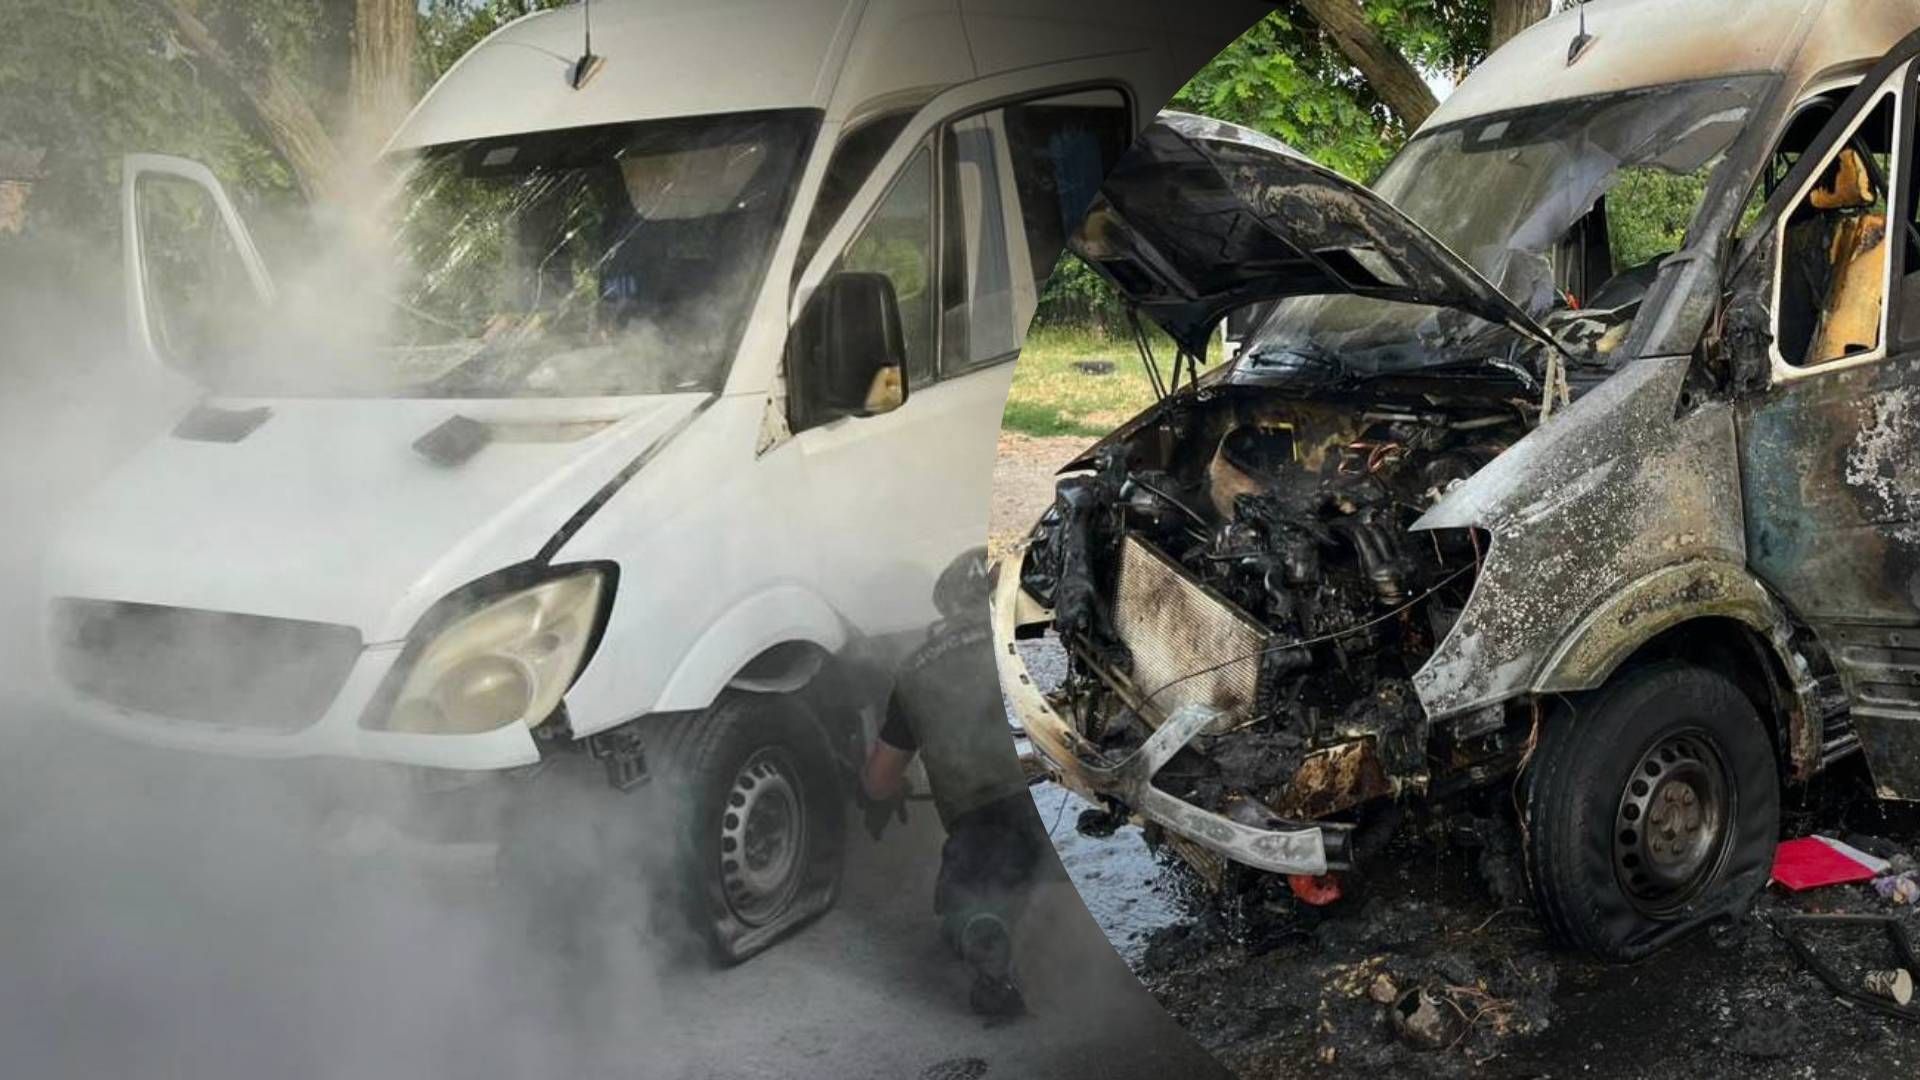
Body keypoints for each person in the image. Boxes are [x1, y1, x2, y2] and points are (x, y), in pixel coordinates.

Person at [860, 547, 1044, 1018]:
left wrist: (890, 794)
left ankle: (992, 970)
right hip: (1052, 801)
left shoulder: (915, 670)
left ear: (947, 605)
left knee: (973, 899)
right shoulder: (1034, 635)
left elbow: (879, 780)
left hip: (978, 820)